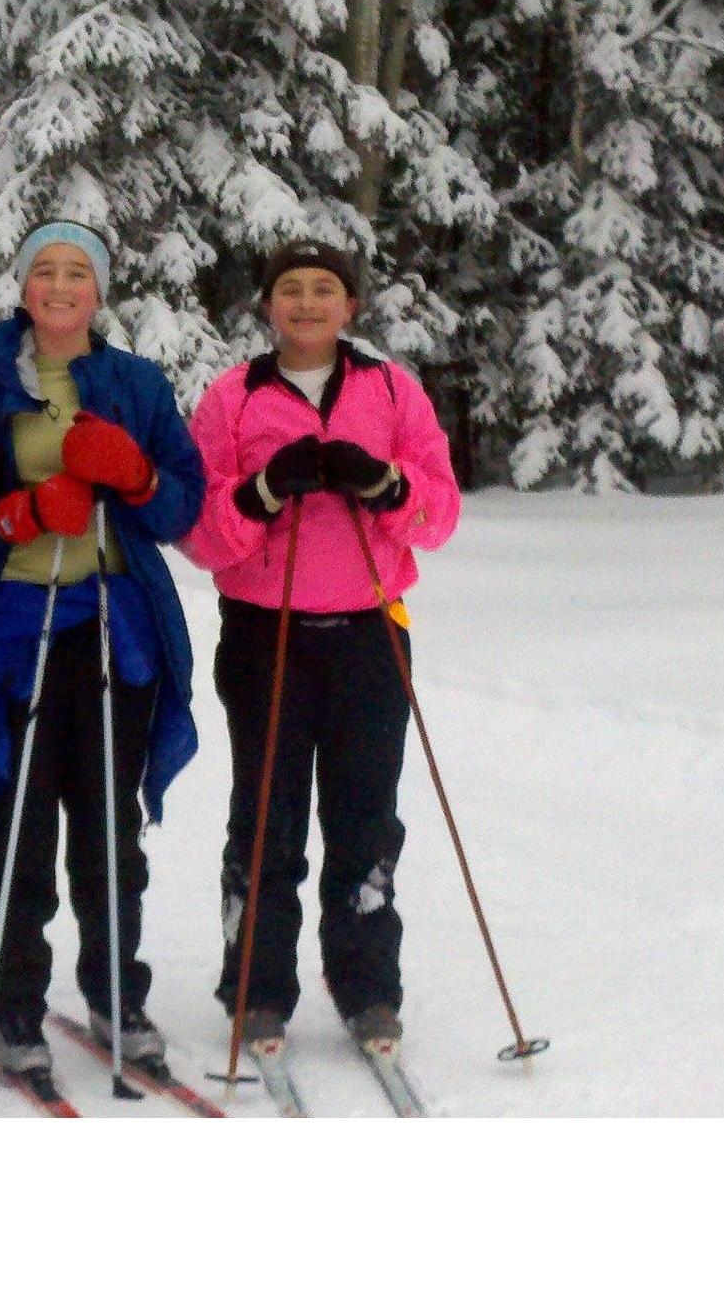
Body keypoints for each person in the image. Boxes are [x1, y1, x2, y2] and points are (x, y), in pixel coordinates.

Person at [0, 220, 204, 1073]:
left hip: (114, 633)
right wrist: (11, 515)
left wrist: (138, 476)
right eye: (41, 270)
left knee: (109, 832)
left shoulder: (133, 383)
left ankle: (117, 993)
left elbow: (182, 505)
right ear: (19, 286)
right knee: (16, 830)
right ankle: (13, 1006)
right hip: (13, 629)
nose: (57, 285)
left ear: (99, 290)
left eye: (76, 271)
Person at [183, 239, 461, 1047]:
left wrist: (384, 486)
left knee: (364, 817)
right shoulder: (233, 397)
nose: (306, 304)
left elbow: (437, 516)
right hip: (264, 633)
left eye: (324, 290)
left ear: (350, 307)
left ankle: (367, 987)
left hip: (369, 630)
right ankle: (256, 987)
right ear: (266, 305)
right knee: (266, 816)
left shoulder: (390, 390)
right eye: (290, 290)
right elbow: (201, 533)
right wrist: (264, 492)